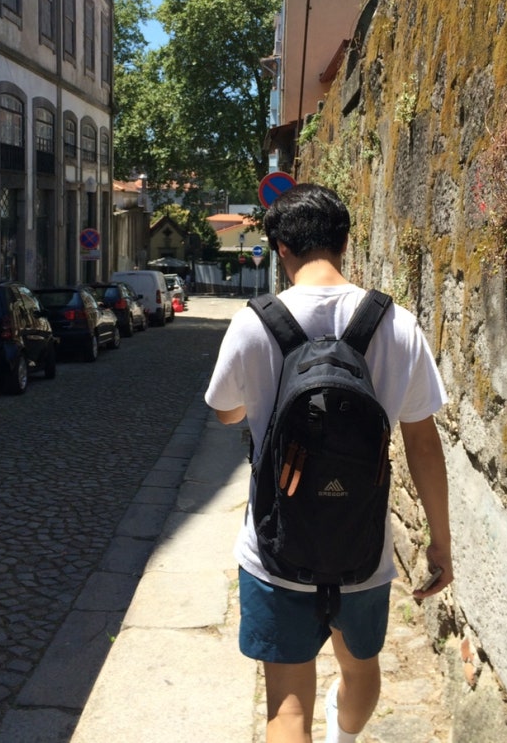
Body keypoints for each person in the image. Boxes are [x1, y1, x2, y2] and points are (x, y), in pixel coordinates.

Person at [205, 183, 453, 743]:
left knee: (287, 709)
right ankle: (344, 736)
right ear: (345, 243)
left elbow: (225, 412)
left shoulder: (254, 322)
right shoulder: (397, 323)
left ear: (280, 249)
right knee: (360, 670)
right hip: (362, 549)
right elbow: (422, 442)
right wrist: (439, 542)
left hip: (275, 548)